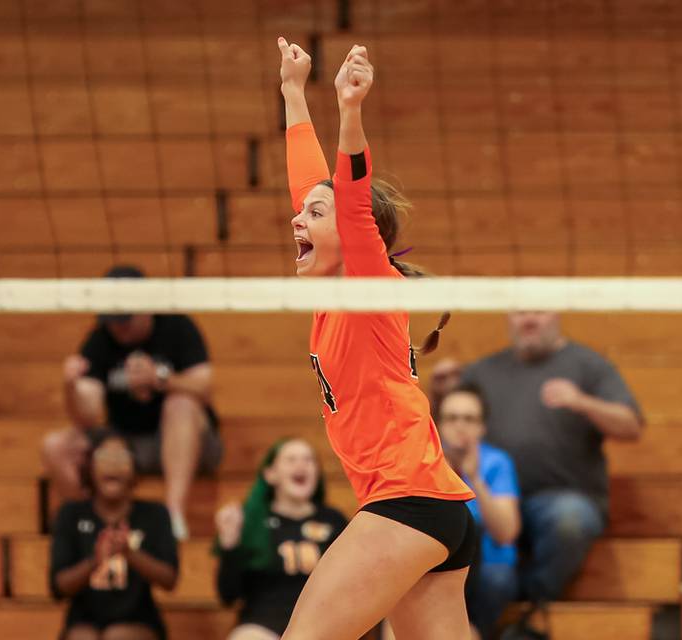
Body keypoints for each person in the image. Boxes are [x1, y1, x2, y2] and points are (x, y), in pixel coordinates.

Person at [277, 37, 475, 640]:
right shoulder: (334, 288)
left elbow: (348, 198)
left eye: (313, 215)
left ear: (355, 235)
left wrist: (351, 111)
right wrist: (291, 92)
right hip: (434, 510)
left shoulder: (370, 279)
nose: (297, 218)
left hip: (404, 505)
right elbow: (314, 185)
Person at [460, 311, 643, 639]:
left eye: (539, 311)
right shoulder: (483, 371)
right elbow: (450, 419)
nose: (528, 319)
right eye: (520, 311)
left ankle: (531, 603)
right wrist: (442, 388)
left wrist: (583, 402)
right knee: (451, 520)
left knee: (568, 518)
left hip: (561, 496)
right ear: (507, 317)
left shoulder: (588, 365)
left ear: (557, 314)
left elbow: (631, 425)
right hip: (494, 494)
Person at [42, 264, 221, 540]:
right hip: (127, 443)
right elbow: (87, 416)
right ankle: (90, 522)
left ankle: (173, 518)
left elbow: (205, 387)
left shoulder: (177, 326)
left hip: (188, 441)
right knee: (56, 446)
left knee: (181, 404)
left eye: (126, 318)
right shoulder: (99, 340)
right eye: (113, 319)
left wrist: (161, 379)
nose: (119, 326)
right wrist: (71, 387)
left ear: (147, 306)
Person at [49, 430, 178, 640]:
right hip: (83, 621)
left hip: (139, 621)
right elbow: (59, 586)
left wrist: (129, 553)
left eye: (121, 458)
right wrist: (96, 560)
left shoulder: (155, 514)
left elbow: (170, 579)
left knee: (117, 636)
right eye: (104, 458)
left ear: (134, 469)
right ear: (89, 467)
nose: (112, 465)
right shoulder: (70, 514)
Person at [214, 439, 348, 640]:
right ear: (270, 474)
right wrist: (229, 544)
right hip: (262, 626)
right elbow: (228, 595)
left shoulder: (334, 520)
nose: (301, 465)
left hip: (322, 626)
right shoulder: (250, 521)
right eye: (291, 459)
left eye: (308, 460)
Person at [437, 384, 520, 640]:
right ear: (439, 424)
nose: (460, 425)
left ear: (482, 427)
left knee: (498, 578)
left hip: (487, 572)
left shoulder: (497, 462)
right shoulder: (428, 462)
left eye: (469, 418)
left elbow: (506, 533)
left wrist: (475, 477)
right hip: (438, 566)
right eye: (452, 418)